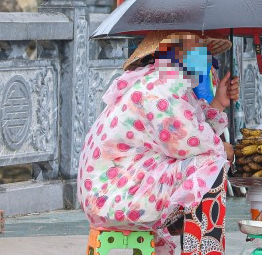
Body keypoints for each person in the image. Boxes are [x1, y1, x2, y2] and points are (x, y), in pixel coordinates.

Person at [78, 32, 240, 255]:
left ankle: (191, 236)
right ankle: (203, 251)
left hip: (116, 189)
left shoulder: (161, 82)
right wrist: (224, 149)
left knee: (207, 161)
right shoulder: (160, 87)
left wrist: (219, 103)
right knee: (211, 165)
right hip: (115, 197)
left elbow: (190, 132)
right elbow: (190, 143)